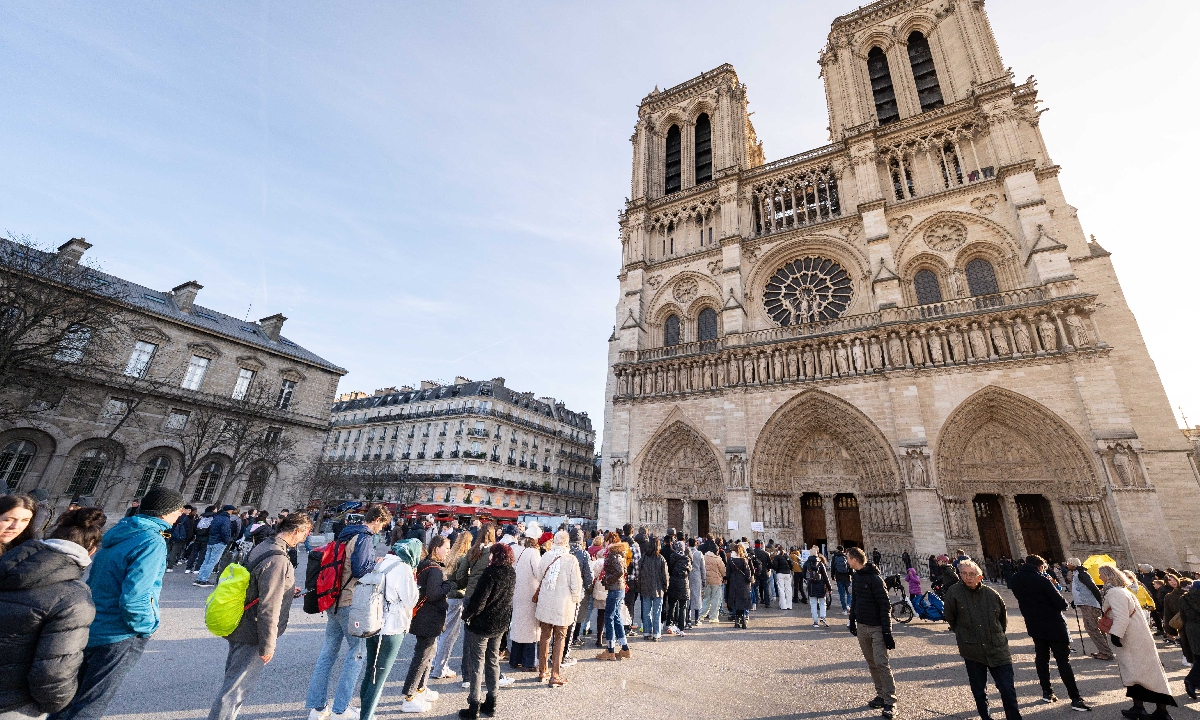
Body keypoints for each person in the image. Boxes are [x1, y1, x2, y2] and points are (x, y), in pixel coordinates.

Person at [48, 488, 185, 720]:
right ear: (166, 512)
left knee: (69, 701)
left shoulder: (122, 532)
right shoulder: (152, 541)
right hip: (119, 632)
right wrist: (146, 626)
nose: (180, 515)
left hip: (94, 624)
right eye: (178, 510)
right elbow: (136, 595)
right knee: (89, 706)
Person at [0, 507, 105, 719]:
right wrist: (54, 703)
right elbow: (53, 672)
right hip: (14, 703)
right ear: (91, 549)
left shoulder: (6, 563)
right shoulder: (73, 598)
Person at [207, 512, 312, 720]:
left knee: (233, 683)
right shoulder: (278, 559)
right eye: (306, 533)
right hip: (253, 630)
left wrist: (288, 589)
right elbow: (268, 607)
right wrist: (268, 644)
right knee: (235, 691)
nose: (306, 537)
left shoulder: (265, 545)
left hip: (243, 622)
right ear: (297, 531)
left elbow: (258, 584)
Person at [305, 506, 392, 720]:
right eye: (382, 525)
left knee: (328, 653)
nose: (381, 529)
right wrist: (376, 562)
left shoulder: (345, 534)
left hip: (332, 599)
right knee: (356, 653)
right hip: (350, 601)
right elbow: (360, 569)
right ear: (377, 519)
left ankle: (317, 708)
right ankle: (341, 709)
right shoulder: (363, 537)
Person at [1007, 555, 1091, 710]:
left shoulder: (1015, 579)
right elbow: (1061, 604)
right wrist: (1052, 585)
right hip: (1054, 625)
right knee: (1063, 661)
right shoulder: (1042, 580)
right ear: (1040, 566)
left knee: (1041, 658)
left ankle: (1047, 692)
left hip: (1034, 624)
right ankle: (1075, 699)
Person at [944, 560, 1021, 720]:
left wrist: (994, 635)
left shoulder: (992, 594)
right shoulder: (954, 592)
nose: (967, 577)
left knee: (1007, 689)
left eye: (971, 574)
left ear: (980, 577)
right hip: (973, 650)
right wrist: (966, 634)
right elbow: (951, 618)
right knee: (979, 691)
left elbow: (1002, 621)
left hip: (997, 648)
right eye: (964, 574)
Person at [1098, 565, 1176, 719]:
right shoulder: (1121, 590)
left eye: (1101, 574)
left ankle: (1160, 711)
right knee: (1138, 674)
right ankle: (1140, 708)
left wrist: (1115, 635)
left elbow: (1121, 616)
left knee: (1142, 673)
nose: (1099, 577)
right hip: (1136, 637)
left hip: (1131, 639)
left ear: (1107, 575)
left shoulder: (1115, 592)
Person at [359, 539, 420, 720]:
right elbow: (411, 601)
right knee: (380, 676)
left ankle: (364, 712)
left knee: (370, 670)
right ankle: (367, 717)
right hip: (392, 627)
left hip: (372, 623)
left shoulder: (380, 563)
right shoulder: (404, 569)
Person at [459, 543, 515, 720]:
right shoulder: (511, 572)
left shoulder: (490, 573)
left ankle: (474, 705)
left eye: (491, 554)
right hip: (499, 623)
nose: (489, 557)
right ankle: (491, 702)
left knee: (476, 664)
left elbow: (479, 601)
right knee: (492, 661)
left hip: (482, 624)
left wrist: (466, 615)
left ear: (497, 556)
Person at [400, 535, 455, 713]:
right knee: (422, 656)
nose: (448, 552)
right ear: (436, 548)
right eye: (446, 548)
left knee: (428, 655)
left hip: (424, 616)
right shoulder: (435, 569)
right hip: (429, 618)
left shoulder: (425, 564)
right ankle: (409, 696)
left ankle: (420, 689)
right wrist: (448, 586)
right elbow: (433, 594)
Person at [847, 546, 895, 719]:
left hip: (876, 628)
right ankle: (881, 695)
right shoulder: (856, 577)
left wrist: (887, 631)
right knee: (872, 663)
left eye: (848, 558)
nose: (846, 560)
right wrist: (851, 620)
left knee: (882, 663)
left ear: (854, 559)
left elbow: (885, 605)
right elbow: (855, 600)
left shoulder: (875, 579)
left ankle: (890, 701)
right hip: (862, 626)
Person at [534, 530, 582, 686]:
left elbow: (539, 575)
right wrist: (576, 599)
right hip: (563, 603)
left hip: (546, 602)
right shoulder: (571, 559)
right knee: (560, 638)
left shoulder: (546, 555)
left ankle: (542, 671)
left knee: (545, 636)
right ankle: (555, 674)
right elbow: (576, 584)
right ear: (566, 542)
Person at [430, 531, 474, 680]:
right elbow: (462, 579)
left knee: (442, 633)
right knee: (449, 635)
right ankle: (440, 668)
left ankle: (435, 663)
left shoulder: (450, 555)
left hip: (446, 595)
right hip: (456, 596)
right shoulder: (463, 557)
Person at [509, 525, 542, 670]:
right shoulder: (533, 552)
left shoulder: (517, 549)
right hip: (530, 593)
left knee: (518, 625)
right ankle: (529, 661)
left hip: (517, 592)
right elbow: (538, 572)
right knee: (530, 628)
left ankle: (514, 659)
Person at [1066, 557, 1113, 661]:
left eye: (1068, 563)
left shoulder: (1082, 574)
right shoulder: (1078, 574)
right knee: (1095, 628)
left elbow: (1093, 588)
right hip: (1086, 604)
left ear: (1073, 564)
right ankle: (1104, 650)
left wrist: (1100, 603)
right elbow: (1082, 590)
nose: (1067, 565)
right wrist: (1076, 601)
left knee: (1092, 628)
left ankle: (1106, 652)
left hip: (1090, 605)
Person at [561, 526, 593, 665]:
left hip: (561, 592)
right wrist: (588, 589)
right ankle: (564, 654)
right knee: (571, 623)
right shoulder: (583, 554)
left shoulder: (564, 551)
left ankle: (557, 649)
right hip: (576, 593)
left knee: (560, 623)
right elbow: (589, 578)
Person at [597, 538, 630, 660]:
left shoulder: (612, 555)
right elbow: (624, 570)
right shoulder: (621, 555)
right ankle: (624, 647)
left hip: (615, 588)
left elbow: (620, 571)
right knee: (616, 617)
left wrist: (607, 579)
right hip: (620, 588)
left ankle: (610, 650)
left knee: (609, 617)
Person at [194, 505, 237, 587]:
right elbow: (225, 531)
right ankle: (204, 580)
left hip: (211, 541)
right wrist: (226, 541)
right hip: (219, 542)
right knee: (212, 562)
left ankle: (199, 578)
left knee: (206, 561)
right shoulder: (226, 519)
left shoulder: (216, 517)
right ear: (229, 511)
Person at [638, 537, 668, 640]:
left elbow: (639, 571)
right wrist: (665, 586)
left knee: (646, 611)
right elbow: (665, 575)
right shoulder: (660, 558)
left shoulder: (644, 557)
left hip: (645, 587)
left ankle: (646, 632)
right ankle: (656, 633)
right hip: (658, 589)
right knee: (657, 612)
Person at [665, 540, 691, 636]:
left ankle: (670, 624)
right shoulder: (687, 559)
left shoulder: (672, 557)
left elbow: (669, 569)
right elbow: (689, 570)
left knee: (672, 605)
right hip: (684, 584)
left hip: (673, 583)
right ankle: (681, 628)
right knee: (682, 607)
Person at [726, 543, 754, 629]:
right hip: (743, 583)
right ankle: (743, 620)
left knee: (736, 602)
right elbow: (748, 572)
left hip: (734, 582)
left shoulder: (731, 560)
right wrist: (749, 580)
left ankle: (736, 621)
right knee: (743, 601)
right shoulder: (743, 559)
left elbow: (727, 573)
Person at [805, 552, 832, 628]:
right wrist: (829, 588)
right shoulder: (820, 564)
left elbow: (804, 574)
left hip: (811, 586)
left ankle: (815, 621)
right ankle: (823, 617)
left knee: (813, 604)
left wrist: (808, 581)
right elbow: (826, 577)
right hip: (820, 586)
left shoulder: (807, 564)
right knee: (822, 602)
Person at [700, 545, 725, 623]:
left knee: (706, 598)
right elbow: (723, 570)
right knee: (716, 599)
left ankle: (701, 615)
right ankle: (713, 617)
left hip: (707, 580)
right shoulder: (718, 559)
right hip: (716, 581)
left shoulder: (704, 557)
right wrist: (724, 577)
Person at [166, 505, 194, 571]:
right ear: (184, 509)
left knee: (168, 550)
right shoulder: (187, 518)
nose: (189, 512)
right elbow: (188, 529)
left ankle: (164, 564)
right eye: (189, 510)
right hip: (180, 537)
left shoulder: (176, 516)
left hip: (172, 534)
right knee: (174, 552)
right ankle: (169, 567)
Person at [688, 538, 706, 627]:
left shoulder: (686, 552)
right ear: (696, 544)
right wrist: (704, 579)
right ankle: (696, 618)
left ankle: (687, 618)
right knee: (697, 596)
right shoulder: (699, 554)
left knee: (687, 597)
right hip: (696, 576)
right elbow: (703, 568)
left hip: (687, 576)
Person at [831, 546, 852, 613]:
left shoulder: (834, 557)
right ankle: (848, 605)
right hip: (847, 577)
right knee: (849, 593)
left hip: (839, 577)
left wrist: (832, 576)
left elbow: (833, 568)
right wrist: (851, 575)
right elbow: (850, 566)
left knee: (841, 594)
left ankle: (844, 609)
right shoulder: (846, 556)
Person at [752, 541, 772, 608]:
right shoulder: (765, 553)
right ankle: (767, 603)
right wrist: (768, 569)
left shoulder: (752, 552)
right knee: (766, 588)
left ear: (755, 545)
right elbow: (769, 564)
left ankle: (756, 602)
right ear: (760, 545)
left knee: (755, 588)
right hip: (764, 572)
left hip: (756, 572)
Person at [772, 547, 793, 611]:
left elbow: (775, 566)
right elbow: (791, 565)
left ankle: (783, 605)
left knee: (781, 589)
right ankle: (789, 605)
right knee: (788, 589)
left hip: (780, 573)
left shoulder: (777, 557)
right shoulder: (787, 556)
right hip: (787, 573)